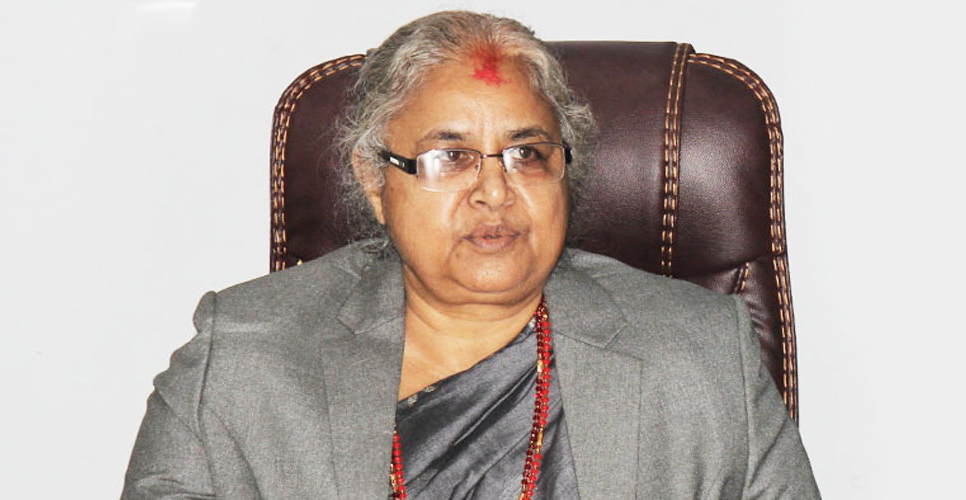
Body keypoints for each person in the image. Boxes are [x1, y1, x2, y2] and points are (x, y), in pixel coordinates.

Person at [122, 10, 819, 500]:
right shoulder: (244, 357)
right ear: (375, 182)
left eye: (528, 153)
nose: (495, 191)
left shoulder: (702, 354)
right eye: (450, 156)